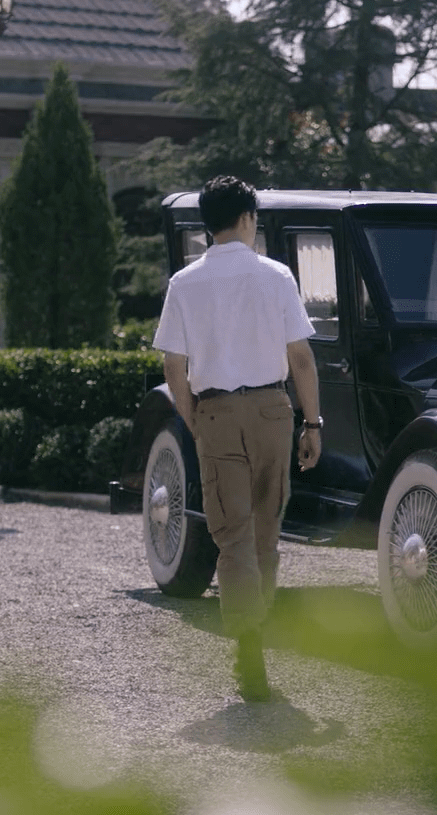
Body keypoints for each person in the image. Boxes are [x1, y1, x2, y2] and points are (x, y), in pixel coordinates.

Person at [153, 175, 322, 702]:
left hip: (216, 411)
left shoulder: (184, 283)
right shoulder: (277, 276)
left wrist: (193, 417)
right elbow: (300, 357)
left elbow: (174, 367)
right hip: (273, 409)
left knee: (231, 532)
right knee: (266, 530)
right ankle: (258, 633)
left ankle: (247, 642)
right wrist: (312, 422)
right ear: (249, 218)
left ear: (207, 224)